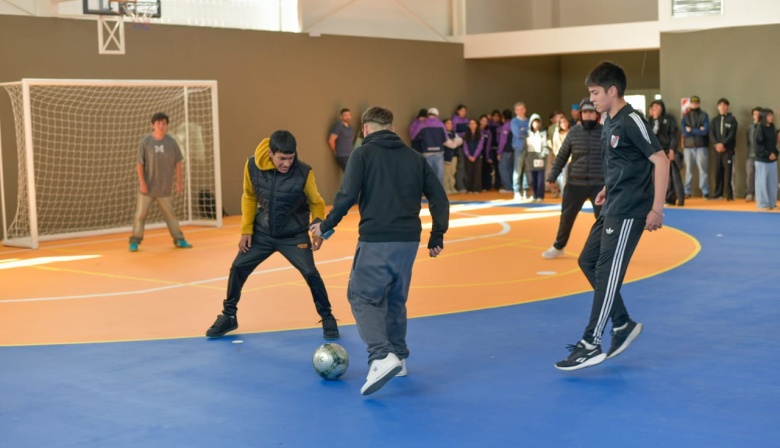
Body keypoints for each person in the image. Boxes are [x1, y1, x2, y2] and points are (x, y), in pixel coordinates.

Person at [310, 106, 449, 396]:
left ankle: (381, 356)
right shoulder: (414, 158)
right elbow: (439, 196)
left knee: (361, 297)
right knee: (394, 300)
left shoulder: (362, 154)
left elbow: (347, 196)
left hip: (377, 240)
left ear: (364, 130)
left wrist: (325, 227)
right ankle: (399, 356)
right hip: (408, 241)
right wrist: (437, 234)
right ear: (393, 129)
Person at [555, 62, 669, 371]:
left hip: (630, 210)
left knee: (607, 274)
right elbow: (625, 162)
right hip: (612, 205)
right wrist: (607, 186)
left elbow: (660, 161)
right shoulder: (611, 122)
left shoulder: (632, 120)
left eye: (595, 93)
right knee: (587, 262)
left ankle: (591, 342)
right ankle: (622, 323)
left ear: (612, 91)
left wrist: (657, 208)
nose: (591, 99)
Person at [205, 130, 340, 340]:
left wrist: (318, 228)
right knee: (238, 267)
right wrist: (246, 230)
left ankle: (328, 317)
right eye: (282, 158)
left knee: (311, 273)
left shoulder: (304, 172)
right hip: (263, 232)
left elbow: (317, 202)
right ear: (270, 153)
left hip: (293, 235)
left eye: (291, 157)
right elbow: (249, 197)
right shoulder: (252, 166)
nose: (287, 163)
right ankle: (229, 316)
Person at [542, 99, 604, 259]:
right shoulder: (574, 132)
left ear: (596, 114)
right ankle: (559, 246)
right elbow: (562, 156)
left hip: (599, 184)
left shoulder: (606, 132)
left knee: (604, 220)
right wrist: (552, 175)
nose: (588, 115)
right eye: (585, 112)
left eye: (591, 112)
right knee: (567, 217)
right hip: (575, 183)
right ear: (581, 114)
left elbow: (615, 158)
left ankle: (608, 251)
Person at [129, 112, 192, 252]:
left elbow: (178, 163)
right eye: (158, 123)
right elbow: (139, 164)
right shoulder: (145, 142)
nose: (161, 126)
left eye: (164, 123)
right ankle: (134, 241)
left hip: (164, 187)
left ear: (167, 125)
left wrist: (179, 182)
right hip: (147, 188)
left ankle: (179, 239)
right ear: (153, 125)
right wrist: (142, 182)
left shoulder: (171, 142)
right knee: (140, 215)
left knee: (170, 215)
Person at [648, 99, 684, 206]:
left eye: (658, 106)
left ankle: (671, 198)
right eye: (653, 107)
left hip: (667, 151)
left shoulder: (669, 119)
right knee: (655, 177)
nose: (655, 109)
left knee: (671, 177)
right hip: (654, 153)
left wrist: (672, 150)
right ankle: (657, 199)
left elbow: (673, 135)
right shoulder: (648, 121)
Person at [410, 107, 451, 185]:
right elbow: (445, 139)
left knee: (427, 174)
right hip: (439, 152)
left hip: (426, 152)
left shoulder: (422, 125)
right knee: (439, 174)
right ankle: (439, 193)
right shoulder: (441, 125)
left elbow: (413, 137)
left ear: (428, 115)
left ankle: (428, 193)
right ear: (437, 115)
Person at [681, 95, 710, 199]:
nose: (695, 104)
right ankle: (687, 191)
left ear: (699, 103)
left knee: (703, 170)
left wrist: (691, 130)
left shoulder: (704, 115)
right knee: (688, 171)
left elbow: (705, 131)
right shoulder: (685, 116)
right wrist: (698, 130)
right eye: (693, 103)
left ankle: (705, 191)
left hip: (701, 146)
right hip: (688, 147)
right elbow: (684, 132)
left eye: (696, 102)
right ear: (690, 104)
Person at [710, 98, 738, 201]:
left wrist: (723, 144)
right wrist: (717, 144)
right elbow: (712, 134)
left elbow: (732, 134)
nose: (722, 107)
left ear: (727, 107)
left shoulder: (732, 119)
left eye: (724, 105)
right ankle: (718, 194)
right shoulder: (714, 121)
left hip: (728, 151)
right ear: (718, 107)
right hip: (717, 151)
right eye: (720, 105)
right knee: (717, 172)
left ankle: (729, 194)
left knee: (728, 173)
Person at [753, 108, 778, 210]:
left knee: (772, 183)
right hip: (762, 160)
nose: (771, 117)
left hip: (772, 160)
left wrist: (775, 153)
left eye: (772, 115)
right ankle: (763, 204)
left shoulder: (772, 127)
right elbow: (758, 145)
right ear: (763, 117)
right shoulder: (759, 128)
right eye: (769, 115)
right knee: (762, 182)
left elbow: (773, 143)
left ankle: (772, 203)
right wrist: (767, 154)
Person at [525, 114, 549, 202]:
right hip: (531, 158)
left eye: (537, 122)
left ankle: (540, 196)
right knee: (532, 179)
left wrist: (543, 155)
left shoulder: (543, 133)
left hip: (540, 158)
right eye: (534, 122)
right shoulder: (528, 134)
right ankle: (534, 195)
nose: (536, 124)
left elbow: (546, 145)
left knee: (540, 179)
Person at [510, 102, 530, 201]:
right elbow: (518, 133)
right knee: (517, 170)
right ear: (515, 111)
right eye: (518, 109)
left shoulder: (529, 120)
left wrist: (524, 130)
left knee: (527, 171)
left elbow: (531, 131)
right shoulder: (514, 121)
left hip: (529, 148)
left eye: (522, 109)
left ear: (525, 110)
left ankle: (526, 191)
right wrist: (525, 131)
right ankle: (517, 191)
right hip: (519, 148)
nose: (520, 111)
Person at [745, 107, 762, 201]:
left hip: (762, 156)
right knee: (750, 174)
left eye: (758, 114)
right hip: (751, 155)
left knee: (761, 176)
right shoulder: (750, 127)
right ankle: (749, 193)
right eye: (755, 114)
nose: (757, 116)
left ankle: (759, 194)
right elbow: (748, 141)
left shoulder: (765, 126)